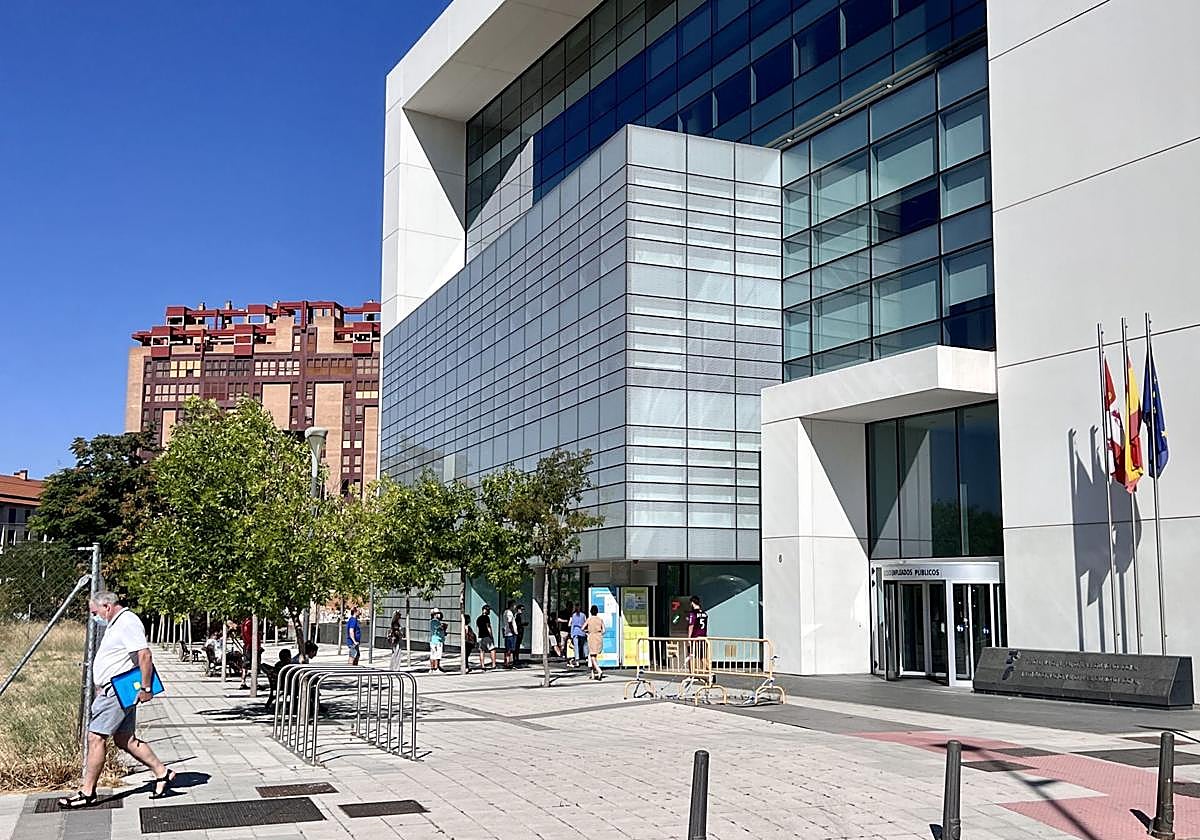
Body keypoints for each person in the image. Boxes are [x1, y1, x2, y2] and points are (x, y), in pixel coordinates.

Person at [58, 592, 175, 809]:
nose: (94, 616)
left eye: (95, 612)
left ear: (108, 606)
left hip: (117, 690)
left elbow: (145, 655)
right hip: (114, 690)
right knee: (125, 739)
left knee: (96, 738)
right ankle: (162, 772)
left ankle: (87, 791)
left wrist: (146, 687)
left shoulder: (127, 622)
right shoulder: (117, 623)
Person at [687, 595, 709, 674]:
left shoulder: (693, 614)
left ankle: (691, 673)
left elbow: (691, 626)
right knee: (702, 657)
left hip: (695, 638)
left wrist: (689, 638)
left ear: (692, 603)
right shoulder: (705, 614)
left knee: (691, 655)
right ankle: (710, 672)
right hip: (703, 638)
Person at [583, 604, 605, 681]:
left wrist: (587, 631)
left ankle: (599, 670)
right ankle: (593, 674)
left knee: (592, 656)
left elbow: (583, 628)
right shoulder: (600, 619)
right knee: (594, 656)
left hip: (592, 637)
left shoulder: (589, 619)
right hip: (599, 637)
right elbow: (604, 630)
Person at [475, 605, 496, 670]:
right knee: (492, 649)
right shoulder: (486, 618)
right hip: (487, 636)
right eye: (488, 610)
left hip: (481, 636)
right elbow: (488, 627)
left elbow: (478, 627)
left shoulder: (478, 618)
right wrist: (491, 636)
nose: (489, 611)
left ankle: (482, 665)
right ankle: (493, 664)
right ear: (485, 610)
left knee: (482, 651)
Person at [568, 603, 587, 667]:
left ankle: (577, 660)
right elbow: (585, 623)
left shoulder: (573, 615)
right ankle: (586, 657)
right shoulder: (583, 615)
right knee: (583, 644)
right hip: (582, 632)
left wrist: (571, 634)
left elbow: (571, 625)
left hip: (575, 631)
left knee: (576, 646)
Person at [501, 601, 517, 669]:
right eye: (514, 605)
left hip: (507, 632)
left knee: (507, 648)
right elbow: (510, 623)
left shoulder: (505, 612)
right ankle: (507, 662)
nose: (515, 607)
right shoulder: (509, 613)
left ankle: (506, 661)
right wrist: (513, 632)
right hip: (510, 633)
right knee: (509, 649)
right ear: (512, 605)